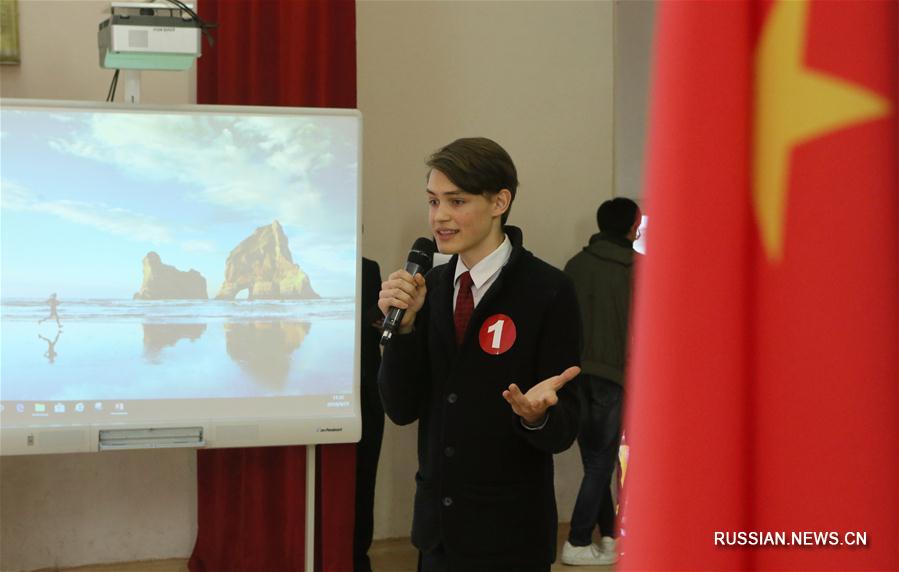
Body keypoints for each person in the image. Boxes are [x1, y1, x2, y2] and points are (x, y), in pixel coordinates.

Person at [377, 137, 582, 572]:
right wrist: (404, 329)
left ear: (499, 201)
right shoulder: (426, 290)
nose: (440, 217)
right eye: (433, 202)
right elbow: (400, 408)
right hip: (438, 533)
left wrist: (536, 415)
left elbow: (564, 429)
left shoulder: (547, 290)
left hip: (510, 534)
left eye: (457, 201)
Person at [560, 198, 642, 566]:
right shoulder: (639, 269)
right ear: (632, 226)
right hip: (615, 376)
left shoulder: (574, 266)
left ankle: (608, 538)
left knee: (596, 461)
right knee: (600, 464)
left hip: (576, 378)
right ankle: (577, 541)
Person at [354, 257, 385, 572]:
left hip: (365, 395)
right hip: (312, 394)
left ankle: (355, 559)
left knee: (362, 486)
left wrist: (379, 321)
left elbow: (377, 334)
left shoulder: (368, 269)